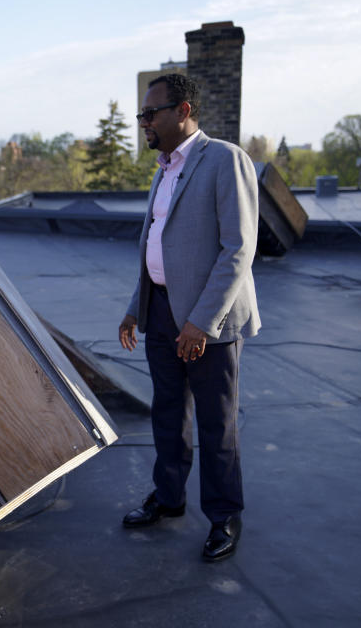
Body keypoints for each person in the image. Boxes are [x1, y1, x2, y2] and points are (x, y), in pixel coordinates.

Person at [118, 73, 260, 562]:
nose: (143, 123)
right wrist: (137, 307)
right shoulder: (164, 168)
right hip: (160, 312)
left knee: (216, 424)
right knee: (168, 413)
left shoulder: (224, 159)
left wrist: (201, 323)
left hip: (209, 324)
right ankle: (170, 497)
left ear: (182, 111)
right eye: (141, 115)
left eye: (150, 113)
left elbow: (238, 250)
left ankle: (224, 516)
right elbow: (156, 243)